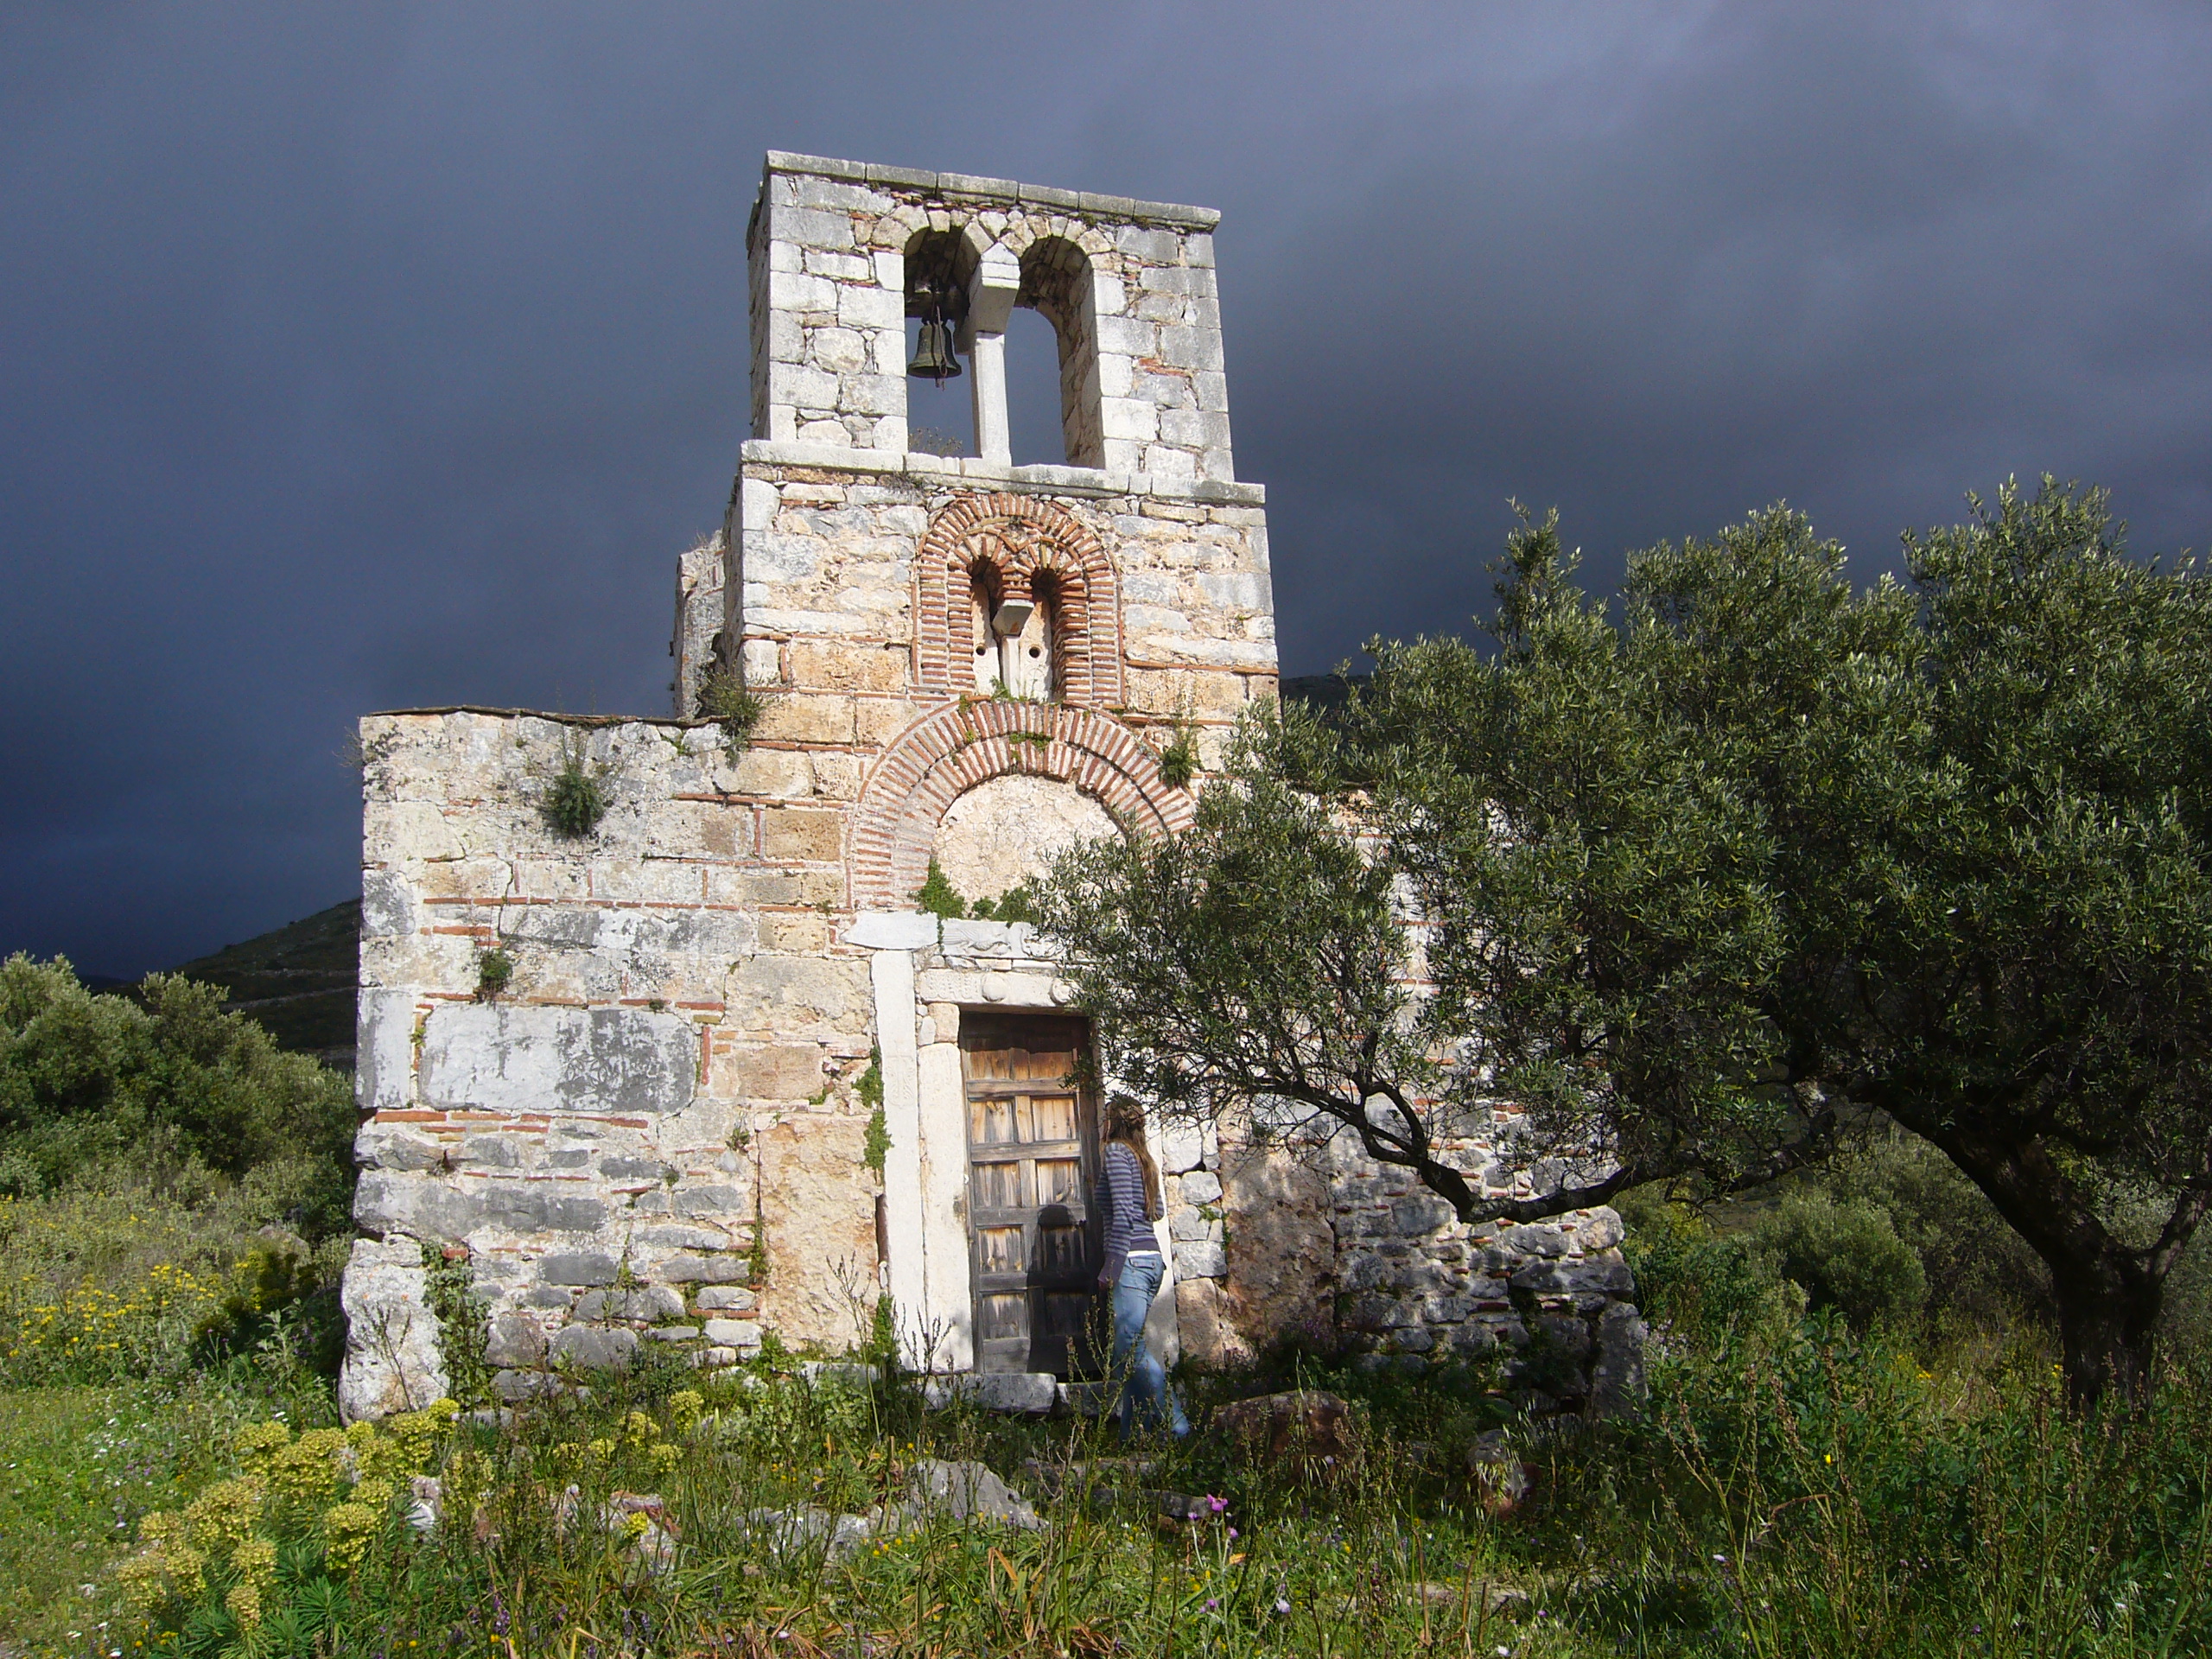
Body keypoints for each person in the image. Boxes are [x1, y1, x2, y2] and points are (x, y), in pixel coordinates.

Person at [1094, 1096, 1190, 1438]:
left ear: (1112, 1121)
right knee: (1126, 1353)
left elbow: (1123, 1216)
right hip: (1151, 1262)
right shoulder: (1144, 1157)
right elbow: (1156, 1211)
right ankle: (1133, 1436)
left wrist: (1110, 1267)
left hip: (1132, 1262)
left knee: (1129, 1348)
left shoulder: (1117, 1153)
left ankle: (1178, 1427)